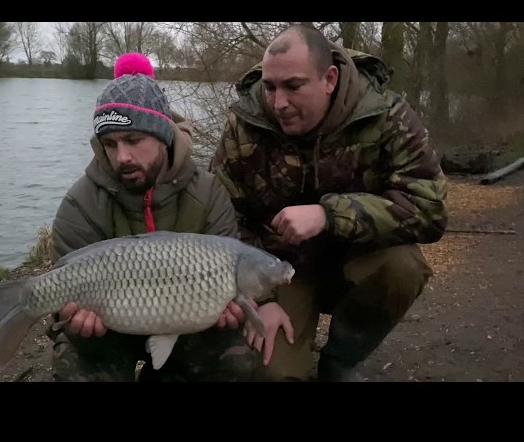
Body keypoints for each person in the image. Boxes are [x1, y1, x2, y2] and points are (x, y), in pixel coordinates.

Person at [209, 24, 448, 382]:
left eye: (293, 86)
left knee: (403, 267)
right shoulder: (244, 124)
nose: (279, 103)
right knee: (272, 373)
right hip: (280, 272)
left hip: (357, 262)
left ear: (330, 79)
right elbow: (221, 218)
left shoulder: (387, 115)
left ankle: (341, 360)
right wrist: (263, 298)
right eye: (270, 87)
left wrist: (330, 215)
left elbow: (429, 209)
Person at [46, 54, 263, 382]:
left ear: (163, 135)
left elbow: (233, 271)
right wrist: (67, 316)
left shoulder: (208, 194)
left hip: (190, 325)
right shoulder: (81, 202)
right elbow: (62, 299)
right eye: (109, 144)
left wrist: (229, 308)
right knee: (74, 367)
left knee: (237, 361)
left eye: (134, 140)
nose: (122, 156)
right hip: (109, 330)